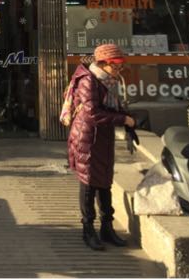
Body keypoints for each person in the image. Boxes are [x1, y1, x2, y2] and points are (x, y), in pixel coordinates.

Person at [67, 43, 136, 251]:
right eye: (115, 64)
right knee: (89, 182)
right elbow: (92, 113)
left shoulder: (108, 80)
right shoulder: (89, 80)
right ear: (103, 63)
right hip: (87, 137)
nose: (118, 69)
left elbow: (110, 107)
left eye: (120, 64)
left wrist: (125, 117)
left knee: (104, 181)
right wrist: (122, 119)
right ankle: (88, 229)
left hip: (103, 136)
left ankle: (107, 227)